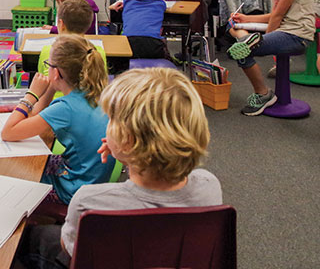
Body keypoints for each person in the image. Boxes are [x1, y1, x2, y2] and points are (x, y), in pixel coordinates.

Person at [15, 67, 222, 269]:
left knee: (24, 242)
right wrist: (123, 153)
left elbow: (68, 250)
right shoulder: (209, 185)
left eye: (111, 119)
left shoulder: (89, 201)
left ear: (127, 140)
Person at [1, 35, 112, 206]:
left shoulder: (65, 108)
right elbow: (36, 117)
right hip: (92, 180)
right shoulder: (95, 93)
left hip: (73, 191)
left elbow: (8, 132)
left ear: (56, 72)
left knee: (14, 175)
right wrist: (51, 88)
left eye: (49, 65)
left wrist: (31, 94)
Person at [227, 0, 316, 115]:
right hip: (286, 32)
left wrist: (267, 38)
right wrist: (246, 18)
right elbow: (274, 14)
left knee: (242, 50)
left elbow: (277, 16)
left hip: (296, 36)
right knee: (235, 34)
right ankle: (247, 40)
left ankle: (263, 93)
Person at [107, 0, 168, 72]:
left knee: (114, 58)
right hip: (153, 46)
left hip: (129, 43)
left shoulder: (129, 0)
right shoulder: (160, 3)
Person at [38, 0, 107, 74]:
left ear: (61, 24)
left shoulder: (48, 51)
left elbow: (42, 80)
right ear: (89, 24)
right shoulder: (98, 52)